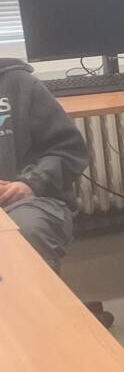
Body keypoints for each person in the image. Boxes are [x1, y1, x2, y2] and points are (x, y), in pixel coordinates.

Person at [0, 57, 90, 263]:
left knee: (26, 233)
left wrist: (30, 183)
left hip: (28, 199)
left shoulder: (20, 83)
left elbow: (67, 148)